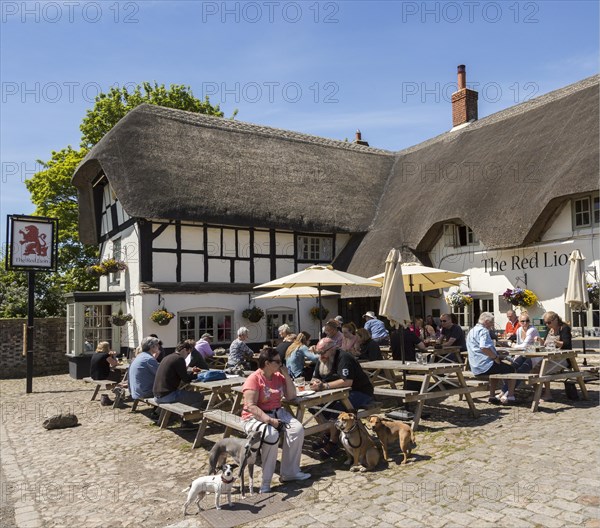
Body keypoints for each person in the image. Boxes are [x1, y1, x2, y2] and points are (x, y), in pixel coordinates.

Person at [241, 347, 310, 493]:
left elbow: (291, 396)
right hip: (255, 417)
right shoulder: (254, 379)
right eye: (278, 361)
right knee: (271, 435)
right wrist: (269, 420)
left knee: (297, 429)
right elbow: (250, 406)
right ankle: (266, 482)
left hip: (278, 412)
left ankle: (290, 473)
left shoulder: (279, 376)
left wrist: (287, 375)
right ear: (267, 363)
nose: (281, 364)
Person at [309, 337, 374, 458]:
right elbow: (315, 377)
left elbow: (347, 382)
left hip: (360, 392)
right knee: (313, 406)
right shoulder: (322, 358)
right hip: (337, 393)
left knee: (337, 408)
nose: (321, 355)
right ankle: (327, 432)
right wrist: (315, 383)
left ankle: (333, 442)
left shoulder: (344, 358)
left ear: (332, 348)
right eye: (318, 352)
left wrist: (324, 386)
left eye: (323, 352)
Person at [466, 312, 514, 404]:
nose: (492, 325)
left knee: (495, 368)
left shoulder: (471, 331)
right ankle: (511, 397)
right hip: (484, 366)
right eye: (492, 322)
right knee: (511, 369)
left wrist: (495, 353)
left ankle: (492, 396)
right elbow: (483, 347)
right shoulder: (483, 331)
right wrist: (495, 356)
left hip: (474, 366)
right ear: (486, 321)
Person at [499, 312, 540, 404]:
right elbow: (520, 346)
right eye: (523, 321)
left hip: (534, 355)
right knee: (512, 367)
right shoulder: (519, 330)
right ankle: (503, 391)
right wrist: (515, 348)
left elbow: (523, 346)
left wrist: (511, 344)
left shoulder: (532, 330)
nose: (525, 323)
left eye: (527, 321)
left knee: (521, 370)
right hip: (523, 354)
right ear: (520, 322)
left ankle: (508, 393)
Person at [153, 341, 205, 408]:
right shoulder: (179, 359)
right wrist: (195, 374)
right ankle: (190, 415)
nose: (187, 356)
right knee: (200, 396)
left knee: (186, 394)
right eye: (188, 353)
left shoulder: (167, 357)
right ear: (184, 350)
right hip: (167, 396)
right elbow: (186, 380)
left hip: (157, 395)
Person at [540, 311, 572, 401]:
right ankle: (538, 392)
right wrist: (539, 340)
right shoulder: (549, 329)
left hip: (562, 358)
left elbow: (567, 344)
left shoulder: (564, 328)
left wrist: (555, 342)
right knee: (534, 367)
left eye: (549, 322)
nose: (547, 324)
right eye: (545, 323)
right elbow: (545, 344)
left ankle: (547, 394)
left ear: (556, 320)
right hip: (549, 357)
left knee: (543, 370)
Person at [128, 336, 161, 400]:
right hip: (145, 392)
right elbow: (161, 375)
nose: (158, 346)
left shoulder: (139, 357)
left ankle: (158, 409)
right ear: (152, 347)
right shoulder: (149, 359)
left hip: (136, 391)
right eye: (157, 345)